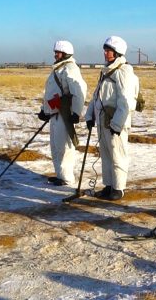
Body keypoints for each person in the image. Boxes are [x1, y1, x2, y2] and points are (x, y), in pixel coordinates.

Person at [85, 36, 140, 200]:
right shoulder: (106, 71)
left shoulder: (123, 72)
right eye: (105, 49)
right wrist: (90, 115)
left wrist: (117, 125)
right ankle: (109, 185)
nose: (105, 53)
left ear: (117, 53)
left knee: (118, 155)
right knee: (106, 154)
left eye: (109, 50)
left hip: (116, 123)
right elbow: (97, 97)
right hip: (104, 121)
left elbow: (126, 101)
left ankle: (118, 188)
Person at [38, 40, 87, 186]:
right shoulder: (58, 69)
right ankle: (60, 174)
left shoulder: (70, 69)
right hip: (54, 113)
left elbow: (79, 92)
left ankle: (66, 178)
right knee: (55, 145)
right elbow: (50, 93)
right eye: (55, 52)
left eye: (58, 52)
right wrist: (44, 110)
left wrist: (76, 113)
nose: (55, 55)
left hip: (64, 114)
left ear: (65, 53)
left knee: (64, 147)